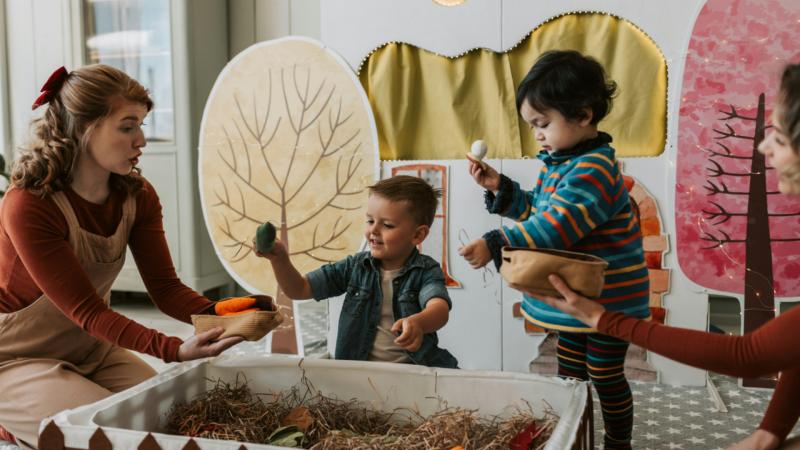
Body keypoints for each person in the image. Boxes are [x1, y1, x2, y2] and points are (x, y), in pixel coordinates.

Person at [534, 63, 800, 450]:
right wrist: (770, 432)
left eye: (778, 134)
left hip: (611, 312)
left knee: (606, 378)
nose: (763, 146)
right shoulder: (557, 172)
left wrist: (603, 319)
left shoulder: (594, 169)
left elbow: (747, 355)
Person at [0, 65, 244, 448]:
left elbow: (166, 289)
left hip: (92, 348)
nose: (141, 140)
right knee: (111, 438)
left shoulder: (137, 195)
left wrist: (235, 317)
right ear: (84, 127)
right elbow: (89, 311)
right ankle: (11, 421)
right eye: (127, 126)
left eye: (142, 124)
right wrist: (173, 350)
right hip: (14, 359)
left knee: (179, 418)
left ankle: (35, 417)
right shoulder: (28, 204)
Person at [459, 50, 649, 450]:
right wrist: (501, 189)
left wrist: (497, 243)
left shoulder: (593, 169)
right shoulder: (562, 163)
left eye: (543, 124)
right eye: (533, 126)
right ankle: (574, 434)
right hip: (578, 296)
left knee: (605, 373)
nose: (538, 135)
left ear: (582, 115)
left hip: (610, 297)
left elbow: (555, 227)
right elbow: (539, 209)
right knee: (570, 371)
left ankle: (618, 443)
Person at [257, 175, 458, 368]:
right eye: (370, 221)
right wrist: (279, 259)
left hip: (413, 375)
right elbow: (300, 289)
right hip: (358, 375)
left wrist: (419, 322)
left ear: (417, 235)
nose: (373, 231)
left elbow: (439, 308)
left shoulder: (425, 270)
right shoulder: (355, 267)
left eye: (387, 225)